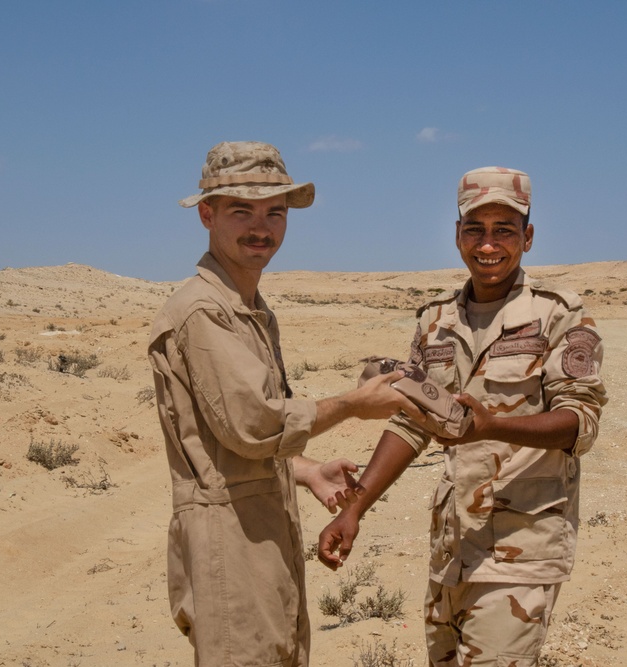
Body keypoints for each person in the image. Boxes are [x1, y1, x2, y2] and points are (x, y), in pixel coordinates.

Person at [148, 141, 426, 667]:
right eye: (241, 211)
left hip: (260, 526)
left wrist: (304, 471)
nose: (262, 227)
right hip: (230, 537)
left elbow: (224, 437)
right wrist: (353, 404)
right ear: (206, 214)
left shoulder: (248, 309)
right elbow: (253, 427)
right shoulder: (205, 312)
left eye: (274, 212)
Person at [318, 166, 608, 666]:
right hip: (451, 550)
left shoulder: (560, 315)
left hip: (521, 550)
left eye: (504, 230)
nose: (488, 244)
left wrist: (492, 425)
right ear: (457, 236)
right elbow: (410, 423)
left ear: (528, 238)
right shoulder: (435, 321)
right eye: (475, 229)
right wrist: (353, 509)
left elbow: (579, 423)